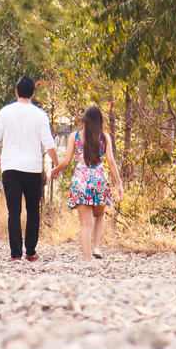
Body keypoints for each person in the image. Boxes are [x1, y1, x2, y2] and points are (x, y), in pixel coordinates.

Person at [0, 76, 60, 262]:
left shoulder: (6, 112)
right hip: (33, 169)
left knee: (14, 211)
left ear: (16, 92)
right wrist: (57, 165)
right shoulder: (39, 115)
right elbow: (49, 144)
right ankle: (30, 252)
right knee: (33, 210)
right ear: (33, 94)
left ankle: (15, 255)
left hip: (10, 167)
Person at [51, 105, 124, 262]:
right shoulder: (104, 137)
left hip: (81, 180)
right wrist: (119, 183)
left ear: (85, 119)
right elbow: (110, 161)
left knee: (85, 224)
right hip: (99, 180)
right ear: (100, 121)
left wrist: (54, 170)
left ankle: (87, 260)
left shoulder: (75, 136)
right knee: (100, 215)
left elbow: (67, 161)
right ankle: (96, 246)